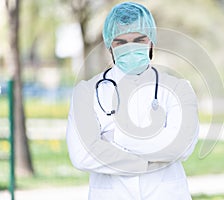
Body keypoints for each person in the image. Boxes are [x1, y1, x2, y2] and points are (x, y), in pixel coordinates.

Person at [66, 2, 199, 200]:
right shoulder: (86, 92)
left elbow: (179, 146)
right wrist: (148, 161)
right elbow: (82, 155)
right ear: (110, 45)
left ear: (151, 42)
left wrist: (113, 138)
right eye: (121, 42)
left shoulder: (179, 89)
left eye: (139, 39)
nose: (131, 47)